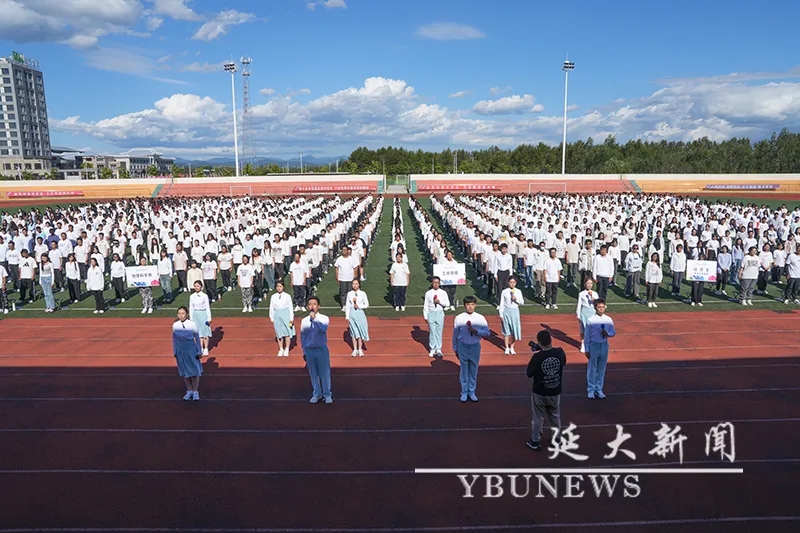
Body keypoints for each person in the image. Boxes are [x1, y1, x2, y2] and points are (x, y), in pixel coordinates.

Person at [525, 330, 565, 451]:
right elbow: (562, 362)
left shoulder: (537, 357)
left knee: (538, 417)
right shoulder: (560, 353)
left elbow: (529, 373)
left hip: (540, 392)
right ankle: (557, 439)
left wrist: (540, 351)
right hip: (555, 390)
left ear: (539, 342)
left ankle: (535, 440)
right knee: (555, 416)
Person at [452, 295, 490, 403]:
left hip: (475, 346)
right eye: (468, 304)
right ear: (465, 305)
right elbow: (455, 333)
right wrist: (455, 347)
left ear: (475, 305)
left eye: (472, 304)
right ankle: (464, 392)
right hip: (462, 345)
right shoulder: (459, 318)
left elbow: (487, 332)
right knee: (464, 369)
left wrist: (477, 332)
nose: (470, 307)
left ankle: (472, 391)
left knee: (473, 369)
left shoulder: (480, 318)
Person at [300, 296, 333, 404]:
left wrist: (314, 319)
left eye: (314, 304)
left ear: (318, 306)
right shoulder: (304, 321)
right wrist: (304, 350)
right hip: (310, 350)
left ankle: (327, 394)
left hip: (321, 349)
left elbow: (323, 329)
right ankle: (316, 393)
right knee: (313, 373)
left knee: (324, 373)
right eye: (310, 304)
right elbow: (303, 336)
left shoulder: (324, 318)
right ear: (307, 307)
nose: (312, 306)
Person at [585, 299, 616, 399]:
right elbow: (587, 335)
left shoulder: (608, 319)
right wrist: (587, 349)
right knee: (592, 368)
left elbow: (613, 332)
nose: (601, 309)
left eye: (603, 307)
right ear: (595, 308)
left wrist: (608, 334)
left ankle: (599, 389)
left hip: (604, 345)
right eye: (599, 307)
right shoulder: (591, 320)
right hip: (594, 345)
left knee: (601, 368)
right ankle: (591, 389)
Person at [172, 305, 203, 401]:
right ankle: (189, 390)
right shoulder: (175, 325)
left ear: (187, 314)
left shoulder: (192, 324)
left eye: (183, 313)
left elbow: (197, 337)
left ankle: (195, 391)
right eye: (179, 313)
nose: (181, 315)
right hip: (181, 350)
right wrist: (175, 351)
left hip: (191, 349)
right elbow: (174, 339)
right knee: (185, 371)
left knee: (194, 371)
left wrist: (199, 351)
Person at [423, 276, 450, 357]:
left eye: (437, 283)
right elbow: (426, 305)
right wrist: (425, 316)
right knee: (432, 332)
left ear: (439, 283)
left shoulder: (443, 293)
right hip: (431, 313)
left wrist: (439, 302)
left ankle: (438, 349)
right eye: (434, 282)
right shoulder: (428, 293)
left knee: (439, 332)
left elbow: (447, 304)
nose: (436, 284)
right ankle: (432, 349)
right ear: (432, 283)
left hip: (439, 313)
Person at [269, 281, 295, 356]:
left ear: (283, 287)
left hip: (286, 315)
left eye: (280, 286)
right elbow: (271, 307)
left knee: (287, 332)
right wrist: (272, 318)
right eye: (277, 286)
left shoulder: (287, 296)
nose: (279, 288)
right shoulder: (273, 296)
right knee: (279, 333)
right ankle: (281, 349)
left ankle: (287, 348)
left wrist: (291, 318)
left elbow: (290, 307)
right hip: (277, 315)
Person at [498, 276, 523, 354]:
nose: (512, 284)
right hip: (506, 311)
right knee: (506, 330)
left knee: (514, 331)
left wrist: (516, 300)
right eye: (511, 282)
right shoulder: (504, 291)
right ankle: (506, 348)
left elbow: (522, 302)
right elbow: (501, 304)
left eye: (514, 282)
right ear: (508, 282)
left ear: (516, 283)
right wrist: (501, 315)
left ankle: (512, 347)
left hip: (515, 312)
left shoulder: (518, 291)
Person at [345, 279, 370, 357]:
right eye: (353, 284)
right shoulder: (349, 294)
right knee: (353, 332)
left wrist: (359, 306)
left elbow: (366, 304)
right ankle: (355, 349)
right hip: (352, 314)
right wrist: (347, 316)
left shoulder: (362, 293)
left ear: (359, 285)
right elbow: (348, 305)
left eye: (356, 284)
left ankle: (360, 349)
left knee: (359, 331)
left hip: (360, 314)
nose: (355, 285)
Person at [189, 280, 212, 356]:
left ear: (201, 287)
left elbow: (207, 307)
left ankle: (206, 348)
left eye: (198, 286)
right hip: (195, 315)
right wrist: (191, 319)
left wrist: (209, 317)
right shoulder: (192, 296)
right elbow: (191, 308)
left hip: (203, 314)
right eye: (195, 286)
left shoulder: (204, 296)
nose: (196, 287)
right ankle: (200, 348)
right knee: (198, 333)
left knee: (205, 332)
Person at [575, 278, 599, 352]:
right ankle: (583, 345)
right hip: (584, 312)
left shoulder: (595, 293)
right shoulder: (581, 293)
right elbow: (579, 304)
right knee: (583, 330)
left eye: (591, 283)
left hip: (592, 312)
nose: (589, 285)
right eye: (588, 283)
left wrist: (592, 297)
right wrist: (578, 314)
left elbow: (597, 304)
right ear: (585, 284)